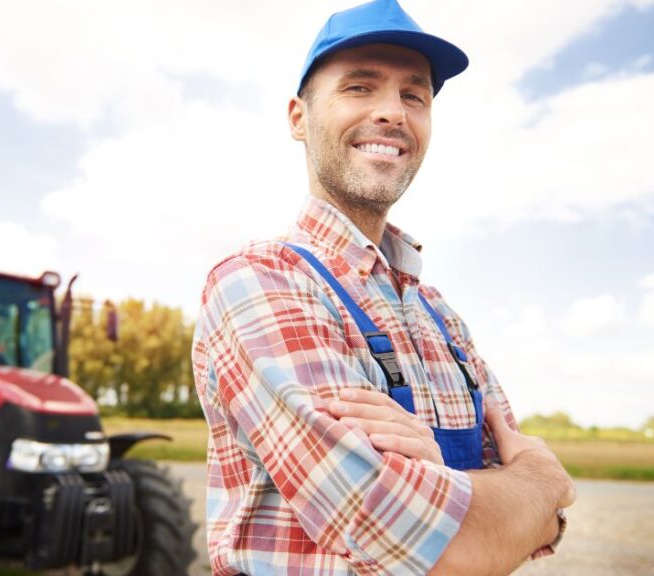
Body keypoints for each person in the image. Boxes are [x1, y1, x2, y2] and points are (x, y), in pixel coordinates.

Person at [191, 0, 575, 574]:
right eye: (360, 87)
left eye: (414, 95)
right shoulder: (258, 283)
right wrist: (532, 483)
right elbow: (440, 542)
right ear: (299, 117)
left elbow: (543, 525)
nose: (393, 113)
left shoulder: (439, 314)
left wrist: (452, 484)